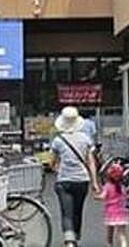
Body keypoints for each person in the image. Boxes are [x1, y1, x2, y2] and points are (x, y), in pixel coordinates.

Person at [51, 106, 98, 247]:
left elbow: (53, 162)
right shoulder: (85, 139)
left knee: (67, 212)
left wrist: (56, 168)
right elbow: (91, 162)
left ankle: (69, 241)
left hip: (64, 181)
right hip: (82, 180)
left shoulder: (58, 140)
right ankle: (75, 236)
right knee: (78, 210)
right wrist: (95, 182)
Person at [93, 163, 129, 247]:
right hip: (122, 212)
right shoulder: (122, 187)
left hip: (111, 213)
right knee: (122, 234)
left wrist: (96, 196)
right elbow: (125, 197)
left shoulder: (108, 186)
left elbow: (103, 196)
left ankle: (110, 244)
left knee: (110, 232)